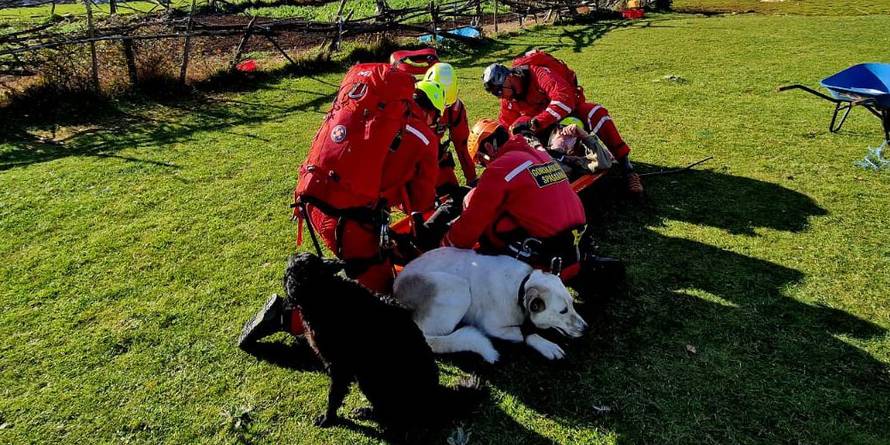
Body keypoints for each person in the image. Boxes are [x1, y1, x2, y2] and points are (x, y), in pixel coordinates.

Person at [237, 81, 444, 348]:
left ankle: (299, 309)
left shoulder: (372, 111)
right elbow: (422, 200)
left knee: (359, 274)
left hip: (314, 201)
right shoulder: (424, 138)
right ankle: (287, 318)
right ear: (432, 112)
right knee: (378, 299)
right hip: (350, 222)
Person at [436, 119, 588, 279]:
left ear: (488, 148)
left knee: (481, 209)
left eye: (481, 161)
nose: (484, 167)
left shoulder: (501, 167)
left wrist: (445, 251)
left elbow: (472, 221)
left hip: (548, 264)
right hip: (577, 248)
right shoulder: (539, 154)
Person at [481, 50, 644, 195]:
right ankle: (548, 170)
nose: (502, 96)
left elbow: (565, 99)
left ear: (510, 77)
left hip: (569, 115)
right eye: (497, 94)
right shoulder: (508, 99)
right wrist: (495, 152)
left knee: (596, 113)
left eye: (501, 90)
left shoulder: (539, 73)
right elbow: (506, 125)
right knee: (516, 129)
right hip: (545, 129)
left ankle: (627, 169)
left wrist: (535, 123)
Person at [423, 63, 477, 199]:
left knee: (452, 194)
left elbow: (463, 146)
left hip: (435, 154)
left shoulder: (454, 110)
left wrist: (472, 181)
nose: (440, 112)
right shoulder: (412, 105)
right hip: (409, 159)